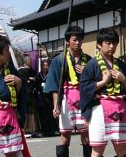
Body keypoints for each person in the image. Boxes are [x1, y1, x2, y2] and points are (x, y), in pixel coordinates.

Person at [80, 28, 126, 157]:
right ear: (99, 44)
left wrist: (124, 80)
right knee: (98, 148)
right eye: (108, 43)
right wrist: (104, 82)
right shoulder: (92, 64)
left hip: (119, 107)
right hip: (99, 108)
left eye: (114, 43)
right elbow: (84, 87)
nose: (112, 46)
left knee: (121, 147)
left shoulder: (121, 65)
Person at [45, 25, 92, 157]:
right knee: (65, 134)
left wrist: (86, 72)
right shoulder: (58, 60)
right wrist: (56, 105)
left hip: (84, 99)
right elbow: (55, 86)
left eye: (80, 40)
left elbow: (95, 82)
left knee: (86, 134)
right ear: (67, 41)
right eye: (74, 40)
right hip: (66, 99)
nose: (78, 43)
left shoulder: (89, 60)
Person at [18, 54, 38, 135]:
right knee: (25, 111)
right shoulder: (20, 71)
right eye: (29, 60)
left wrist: (34, 79)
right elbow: (22, 80)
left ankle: (32, 129)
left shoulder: (32, 71)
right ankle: (24, 128)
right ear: (25, 61)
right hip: (25, 93)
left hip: (31, 93)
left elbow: (36, 79)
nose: (31, 62)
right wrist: (29, 79)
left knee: (32, 111)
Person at [36, 59, 56, 136]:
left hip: (49, 96)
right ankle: (44, 130)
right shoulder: (38, 75)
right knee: (42, 114)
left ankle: (52, 129)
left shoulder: (50, 74)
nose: (45, 67)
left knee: (50, 114)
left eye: (46, 65)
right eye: (43, 65)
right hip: (41, 97)